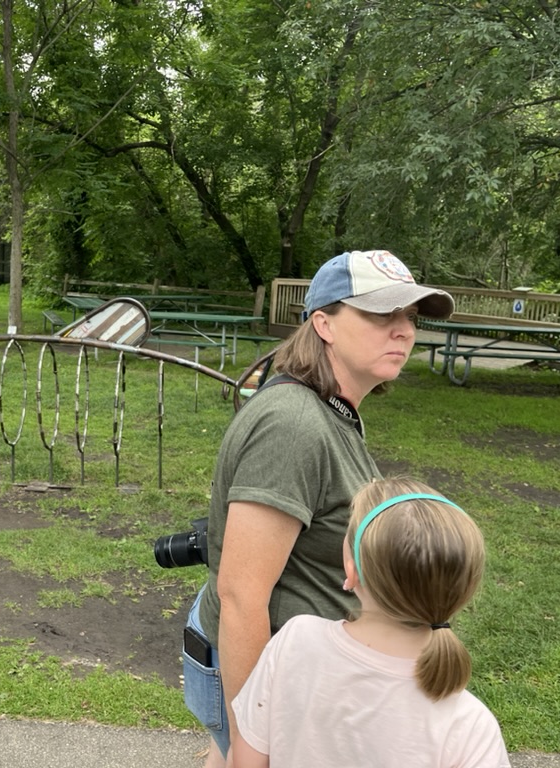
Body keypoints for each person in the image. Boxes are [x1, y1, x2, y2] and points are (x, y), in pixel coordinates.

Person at [181, 250, 456, 767]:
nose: (403, 331)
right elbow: (241, 596)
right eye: (381, 315)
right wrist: (249, 747)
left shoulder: (332, 409)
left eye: (410, 317)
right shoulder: (295, 425)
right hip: (263, 677)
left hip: (291, 670)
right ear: (324, 323)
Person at [229, 478, 511, 767]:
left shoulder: (296, 641)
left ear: (351, 571)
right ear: (465, 589)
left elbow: (245, 762)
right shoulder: (469, 726)